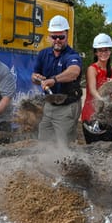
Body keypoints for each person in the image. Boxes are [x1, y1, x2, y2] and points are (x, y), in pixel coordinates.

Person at [31, 15, 83, 145]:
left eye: (61, 37)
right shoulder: (43, 54)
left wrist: (54, 80)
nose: (57, 40)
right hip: (49, 105)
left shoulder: (72, 55)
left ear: (67, 35)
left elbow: (74, 72)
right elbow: (34, 76)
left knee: (63, 144)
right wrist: (37, 78)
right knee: (44, 141)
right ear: (49, 36)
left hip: (67, 106)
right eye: (54, 37)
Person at [80, 33, 112, 143]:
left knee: (107, 147)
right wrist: (103, 101)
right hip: (91, 115)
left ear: (110, 51)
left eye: (106, 50)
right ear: (96, 52)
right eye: (100, 50)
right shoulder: (92, 69)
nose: (104, 53)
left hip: (108, 116)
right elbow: (92, 90)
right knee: (93, 148)